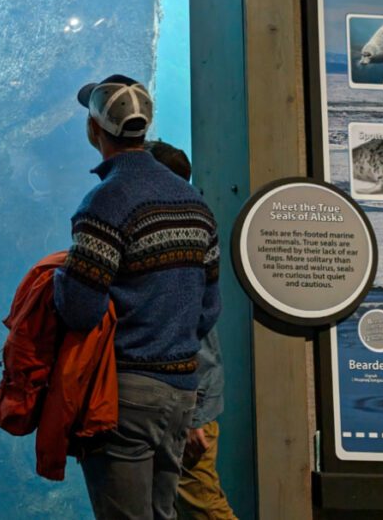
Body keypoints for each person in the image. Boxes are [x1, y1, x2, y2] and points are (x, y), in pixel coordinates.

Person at [53, 75, 221, 520]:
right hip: (181, 393)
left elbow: (80, 309)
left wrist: (58, 277)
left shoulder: (105, 203)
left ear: (94, 130)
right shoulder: (194, 203)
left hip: (124, 395)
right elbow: (208, 309)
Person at [145, 142, 236, 520]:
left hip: (187, 406)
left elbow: (193, 334)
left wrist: (194, 419)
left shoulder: (179, 239)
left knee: (204, 506)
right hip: (182, 403)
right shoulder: (191, 228)